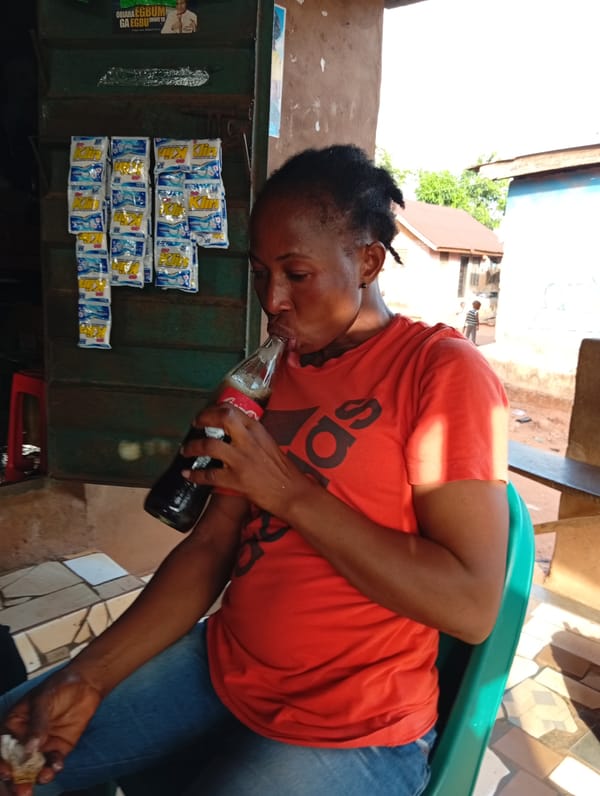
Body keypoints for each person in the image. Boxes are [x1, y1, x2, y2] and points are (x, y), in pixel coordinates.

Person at [0, 145, 509, 796]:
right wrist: (87, 676)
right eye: (262, 272)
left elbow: (470, 607)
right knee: (16, 742)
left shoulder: (438, 371)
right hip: (225, 666)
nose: (273, 300)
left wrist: (289, 492)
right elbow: (210, 547)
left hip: (354, 724)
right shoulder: (272, 379)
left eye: (297, 274)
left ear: (368, 262)